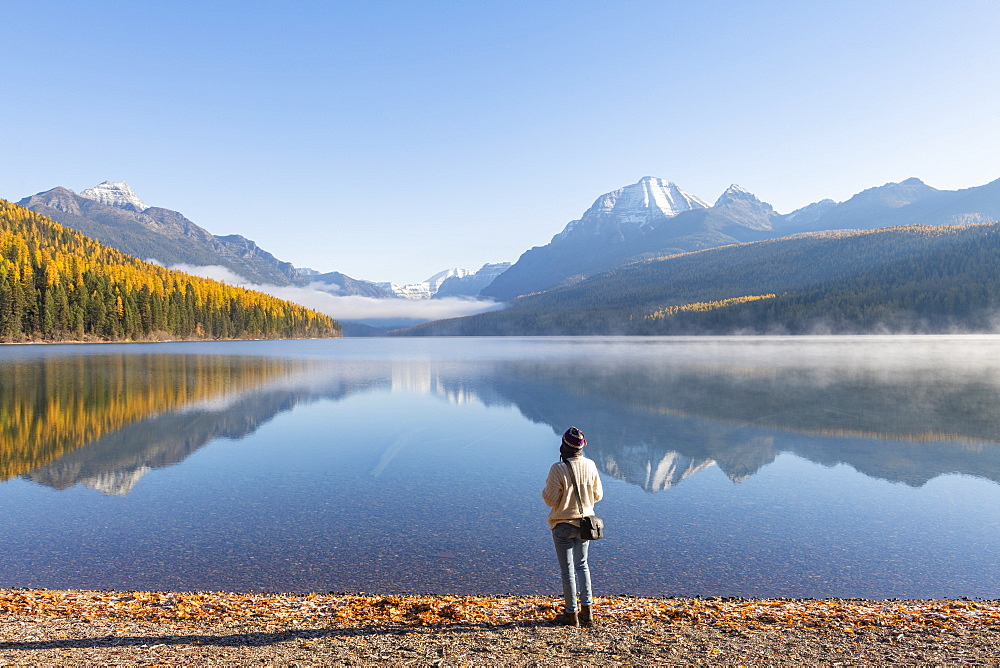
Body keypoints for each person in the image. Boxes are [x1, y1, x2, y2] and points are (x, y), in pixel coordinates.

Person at [542, 426, 604, 627]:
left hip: (563, 525)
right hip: (586, 524)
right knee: (582, 566)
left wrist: (558, 492)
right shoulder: (591, 465)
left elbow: (550, 500)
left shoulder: (557, 468)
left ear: (564, 447)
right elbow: (598, 495)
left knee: (567, 570)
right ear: (581, 448)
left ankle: (571, 614)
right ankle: (588, 611)